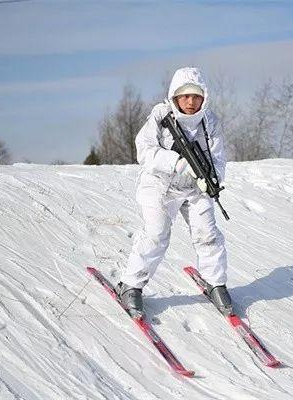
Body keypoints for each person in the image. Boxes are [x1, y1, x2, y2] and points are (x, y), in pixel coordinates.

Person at [116, 67, 231, 317]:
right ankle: (131, 285)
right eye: (184, 95)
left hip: (195, 188)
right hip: (160, 184)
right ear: (174, 96)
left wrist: (211, 178)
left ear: (204, 98)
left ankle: (215, 282)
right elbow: (144, 151)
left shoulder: (210, 123)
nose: (190, 102)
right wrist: (177, 162)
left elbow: (219, 159)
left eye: (196, 96)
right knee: (156, 234)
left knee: (208, 234)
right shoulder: (160, 115)